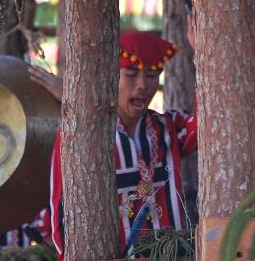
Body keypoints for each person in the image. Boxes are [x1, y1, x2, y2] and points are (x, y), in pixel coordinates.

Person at [29, 31, 197, 260]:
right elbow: (62, 215)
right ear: (109, 76)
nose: (143, 85)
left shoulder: (168, 128)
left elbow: (211, 124)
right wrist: (79, 105)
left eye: (151, 75)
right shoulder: (81, 137)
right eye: (130, 74)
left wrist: (204, 52)